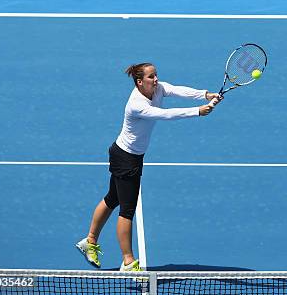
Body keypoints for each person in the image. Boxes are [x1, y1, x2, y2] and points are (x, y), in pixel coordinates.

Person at [76, 63, 221, 271]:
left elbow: (178, 89)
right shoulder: (137, 104)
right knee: (127, 211)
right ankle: (128, 261)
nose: (156, 79)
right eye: (151, 77)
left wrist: (205, 95)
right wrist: (197, 111)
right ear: (139, 82)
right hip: (126, 159)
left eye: (156, 75)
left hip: (127, 156)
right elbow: (166, 115)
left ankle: (89, 241)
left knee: (112, 198)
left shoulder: (157, 88)